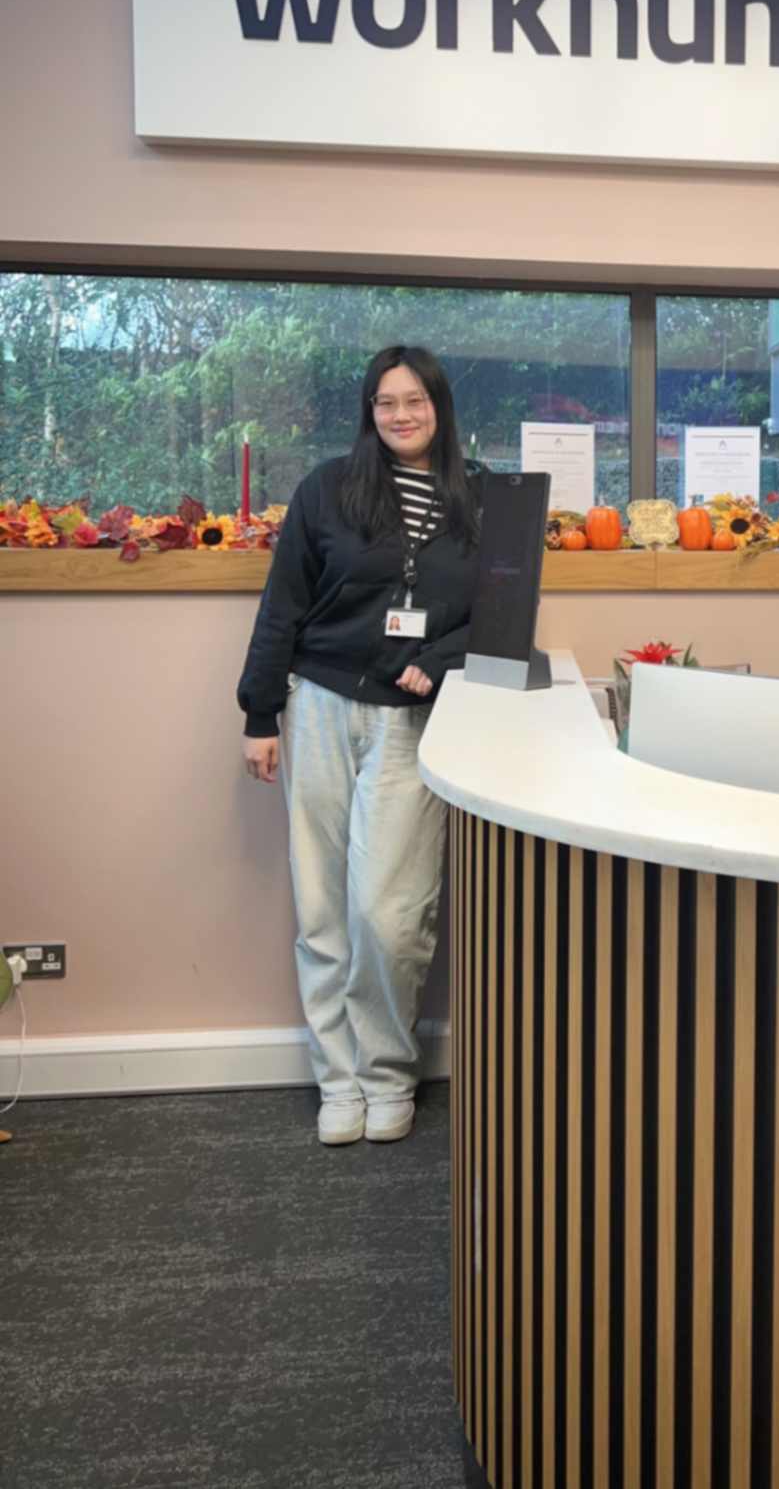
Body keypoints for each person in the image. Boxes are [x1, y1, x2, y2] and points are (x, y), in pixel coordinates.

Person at [238, 346, 482, 1146]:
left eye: (414, 400)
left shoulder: (478, 496)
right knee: (320, 906)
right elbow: (285, 602)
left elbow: (501, 614)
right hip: (317, 707)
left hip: (411, 722)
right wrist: (259, 712)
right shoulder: (327, 489)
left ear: (438, 406)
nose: (400, 414)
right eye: (385, 402)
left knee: (388, 913)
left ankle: (387, 1072)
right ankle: (336, 1079)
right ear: (368, 411)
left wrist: (438, 662)